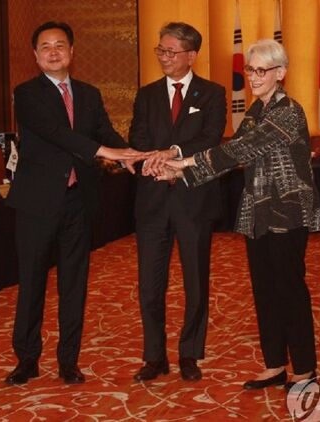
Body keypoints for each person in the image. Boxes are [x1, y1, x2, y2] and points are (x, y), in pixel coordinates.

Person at [147, 39, 320, 389]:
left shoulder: (289, 111)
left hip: (287, 213)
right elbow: (228, 156)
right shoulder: (256, 111)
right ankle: (275, 365)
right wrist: (179, 174)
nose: (253, 77)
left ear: (280, 73)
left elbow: (243, 149)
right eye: (250, 69)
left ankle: (305, 369)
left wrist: (183, 162)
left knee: (289, 290)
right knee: (264, 290)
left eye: (261, 70)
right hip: (258, 213)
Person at [5, 21, 147, 386]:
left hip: (78, 201)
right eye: (46, 46)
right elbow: (57, 134)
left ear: (72, 51)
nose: (53, 52)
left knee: (74, 283)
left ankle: (68, 360)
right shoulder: (27, 93)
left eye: (60, 45)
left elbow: (104, 131)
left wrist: (128, 155)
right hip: (37, 203)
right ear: (36, 55)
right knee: (32, 282)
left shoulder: (89, 93)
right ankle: (27, 359)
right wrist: (106, 152)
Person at [129, 22, 227, 382]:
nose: (164, 57)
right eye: (161, 50)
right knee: (149, 284)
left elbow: (210, 138)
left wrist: (173, 154)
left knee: (195, 281)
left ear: (191, 55)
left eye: (171, 51)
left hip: (193, 199)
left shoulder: (212, 94)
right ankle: (154, 356)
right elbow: (137, 136)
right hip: (153, 200)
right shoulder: (147, 95)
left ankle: (189, 353)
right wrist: (156, 162)